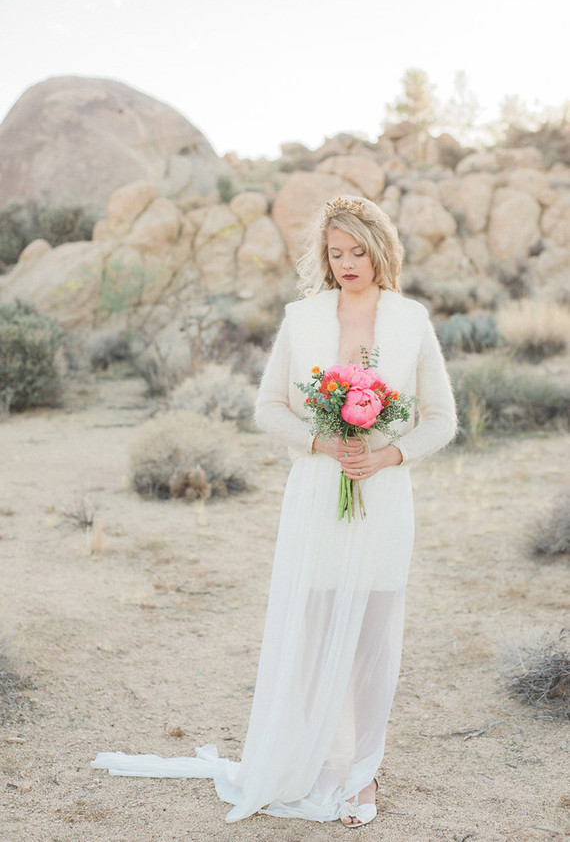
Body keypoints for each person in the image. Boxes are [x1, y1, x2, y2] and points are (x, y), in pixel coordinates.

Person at [92, 195, 456, 828]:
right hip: (317, 493)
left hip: (384, 497)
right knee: (315, 636)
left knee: (373, 639)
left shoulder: (411, 319)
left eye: (357, 251)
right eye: (335, 253)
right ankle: (319, 764)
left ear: (380, 250)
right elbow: (267, 407)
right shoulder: (302, 318)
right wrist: (321, 443)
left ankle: (363, 776)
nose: (347, 264)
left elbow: (442, 418)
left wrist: (389, 455)